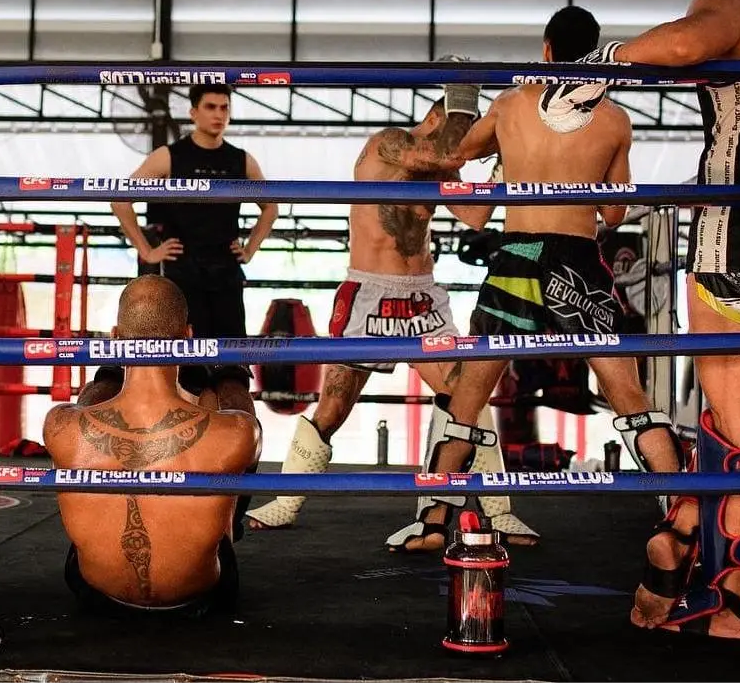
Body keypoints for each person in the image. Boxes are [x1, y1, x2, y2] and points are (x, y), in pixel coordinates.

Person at [397, 7, 686, 553]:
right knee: (627, 392)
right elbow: (616, 214)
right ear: (596, 52)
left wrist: (496, 140)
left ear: (547, 49)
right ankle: (683, 514)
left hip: (519, 254)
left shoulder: (511, 103)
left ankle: (435, 521)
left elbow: (456, 154)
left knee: (467, 394)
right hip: (578, 260)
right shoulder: (616, 120)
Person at [571, 0, 740, 640]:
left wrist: (602, 62)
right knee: (735, 424)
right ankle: (685, 533)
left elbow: (690, 43)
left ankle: (733, 593)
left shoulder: (736, 2)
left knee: (738, 427)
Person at [244, 73, 537, 546]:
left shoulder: (447, 161)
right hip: (369, 293)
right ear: (435, 118)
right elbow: (441, 155)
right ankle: (285, 502)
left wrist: (502, 159)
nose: (464, 139)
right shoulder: (392, 143)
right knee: (334, 406)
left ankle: (495, 512)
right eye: (458, 127)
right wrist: (482, 120)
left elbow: (477, 215)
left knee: (469, 397)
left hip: (423, 295)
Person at [43, 275, 261, 615]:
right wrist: (230, 374)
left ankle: (111, 372)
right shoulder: (236, 432)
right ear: (188, 338)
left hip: (96, 593)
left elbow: (86, 407)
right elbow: (241, 419)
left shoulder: (60, 426)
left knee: (87, 417)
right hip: (201, 596)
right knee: (229, 434)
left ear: (115, 339)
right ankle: (229, 372)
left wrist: (109, 374)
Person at [110, 83, 277, 422]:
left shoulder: (240, 159)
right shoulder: (169, 156)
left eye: (224, 108)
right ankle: (190, 449)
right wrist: (148, 250)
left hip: (225, 275)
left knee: (233, 370)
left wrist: (249, 248)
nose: (219, 114)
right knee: (189, 371)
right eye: (212, 107)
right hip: (182, 276)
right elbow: (119, 198)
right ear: (193, 112)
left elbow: (270, 207)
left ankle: (235, 451)